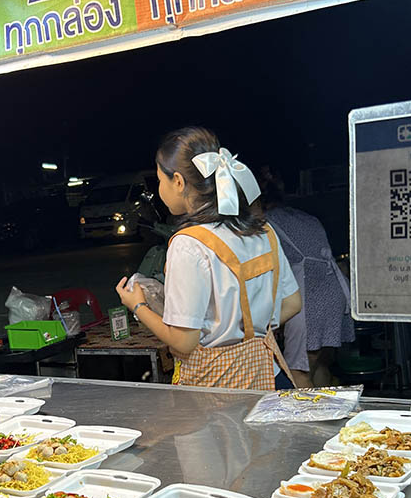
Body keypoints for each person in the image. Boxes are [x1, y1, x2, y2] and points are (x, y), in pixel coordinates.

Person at [115, 127, 301, 389]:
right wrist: (250, 332)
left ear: (178, 182)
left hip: (219, 391)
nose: (159, 190)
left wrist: (137, 305)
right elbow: (292, 303)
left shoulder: (189, 244)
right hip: (268, 377)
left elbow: (183, 341)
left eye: (160, 180)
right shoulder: (262, 230)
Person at [263, 172, 354, 388]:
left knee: (298, 370)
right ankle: (327, 416)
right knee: (321, 363)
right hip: (334, 290)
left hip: (310, 293)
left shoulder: (266, 224)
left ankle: (309, 421)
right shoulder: (304, 217)